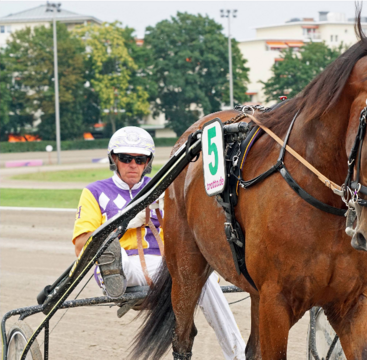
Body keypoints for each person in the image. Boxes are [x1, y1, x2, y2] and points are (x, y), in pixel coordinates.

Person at [72, 126, 246, 360]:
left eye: (140, 159)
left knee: (200, 278)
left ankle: (238, 356)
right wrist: (124, 223)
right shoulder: (94, 192)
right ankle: (112, 268)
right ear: (114, 158)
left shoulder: (160, 187)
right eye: (126, 158)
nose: (133, 164)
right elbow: (81, 244)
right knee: (112, 250)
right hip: (123, 266)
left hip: (164, 265)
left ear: (148, 162)